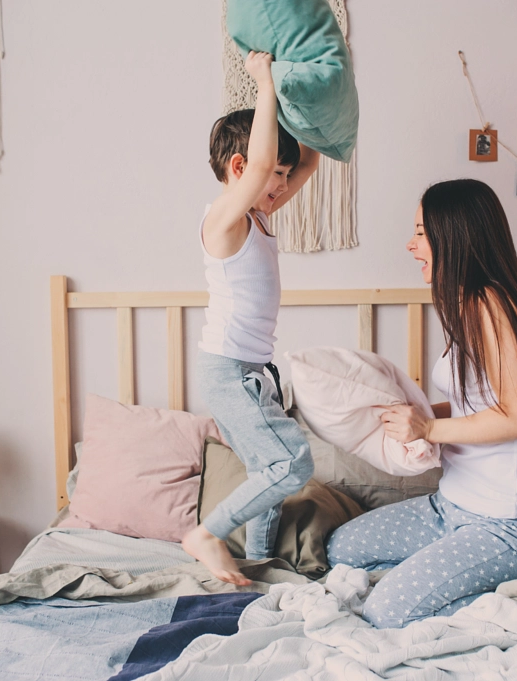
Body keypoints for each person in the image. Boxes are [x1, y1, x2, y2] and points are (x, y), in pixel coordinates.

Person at [326, 179, 517, 628]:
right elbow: (479, 406)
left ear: (453, 236)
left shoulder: (492, 303)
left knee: (385, 611)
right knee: (341, 550)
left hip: (505, 527)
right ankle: (446, 576)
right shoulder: (465, 305)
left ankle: (514, 594)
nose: (410, 246)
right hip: (450, 507)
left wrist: (428, 430)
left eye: (420, 233)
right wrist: (417, 415)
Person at [182, 52, 321, 586]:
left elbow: (308, 162)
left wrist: (297, 99)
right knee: (293, 464)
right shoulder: (224, 219)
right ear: (239, 169)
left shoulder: (259, 216)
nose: (282, 185)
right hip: (229, 370)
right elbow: (264, 167)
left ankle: (261, 559)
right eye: (272, 175)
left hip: (252, 372)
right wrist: (264, 84)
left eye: (282, 176)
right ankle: (207, 534)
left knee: (270, 472)